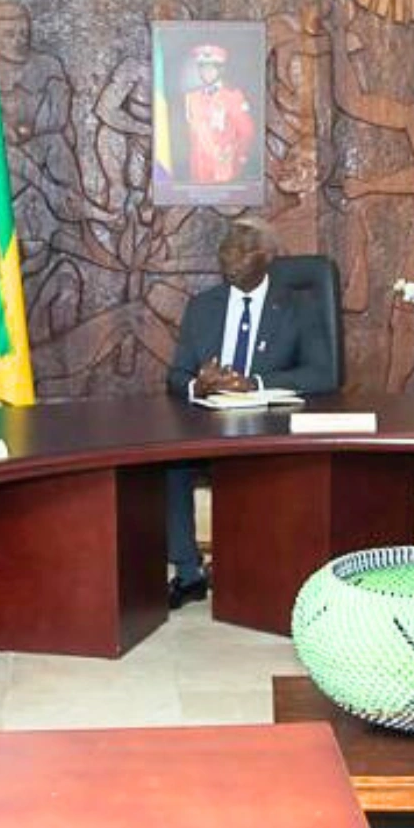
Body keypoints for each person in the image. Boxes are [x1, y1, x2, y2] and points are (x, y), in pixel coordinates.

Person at [164, 217, 336, 608]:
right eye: (226, 250)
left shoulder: (299, 307)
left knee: (269, 473)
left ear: (268, 257)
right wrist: (198, 385)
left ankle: (262, 570)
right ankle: (188, 573)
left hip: (269, 423)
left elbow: (323, 374)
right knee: (170, 464)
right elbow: (176, 375)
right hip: (208, 421)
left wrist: (255, 383)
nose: (231, 258)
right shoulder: (203, 306)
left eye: (242, 251)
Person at [183, 44, 256, 184]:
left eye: (211, 68)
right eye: (203, 68)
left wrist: (236, 158)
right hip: (198, 170)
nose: (207, 72)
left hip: (223, 170)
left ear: (220, 70)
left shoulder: (233, 96)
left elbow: (247, 132)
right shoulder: (191, 97)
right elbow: (191, 135)